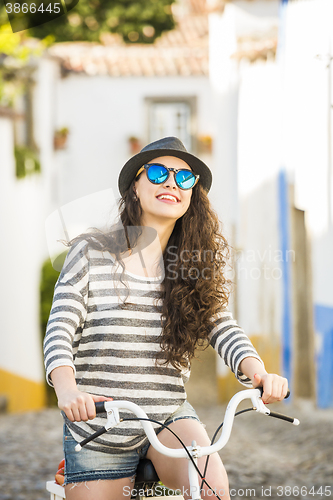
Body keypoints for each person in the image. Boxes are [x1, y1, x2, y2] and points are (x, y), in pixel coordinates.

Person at [44, 136, 289, 500]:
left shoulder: (193, 267)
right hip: (98, 427)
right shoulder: (91, 253)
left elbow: (223, 327)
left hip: (168, 418)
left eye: (184, 177)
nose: (172, 182)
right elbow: (60, 329)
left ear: (192, 196)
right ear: (135, 187)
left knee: (211, 488)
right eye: (159, 172)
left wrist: (258, 373)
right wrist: (67, 391)